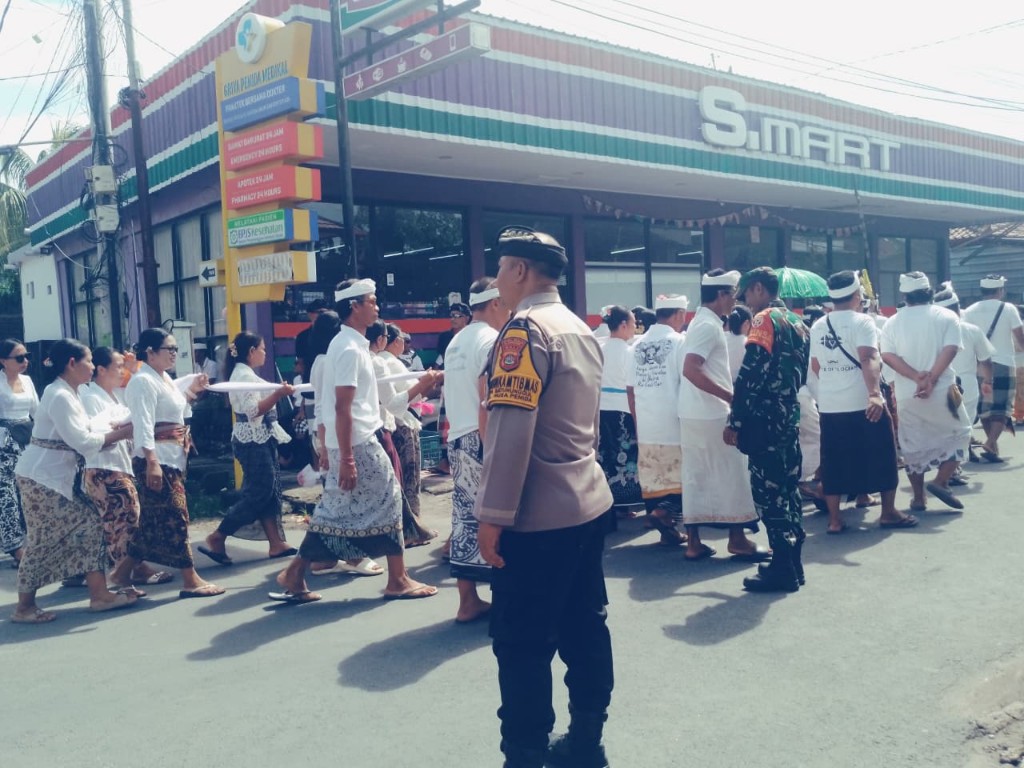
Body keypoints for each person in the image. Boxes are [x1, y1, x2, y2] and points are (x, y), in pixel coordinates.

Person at [474, 226, 614, 768]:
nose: (497, 279)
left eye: (501, 267)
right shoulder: (578, 327)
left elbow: (510, 434)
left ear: (519, 270)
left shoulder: (523, 331)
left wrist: (492, 515)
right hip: (587, 501)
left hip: (537, 517)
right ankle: (586, 740)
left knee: (522, 643)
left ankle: (525, 753)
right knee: (585, 627)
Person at [273, 278, 438, 603]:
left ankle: (295, 572)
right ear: (354, 306)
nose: (377, 306)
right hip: (358, 441)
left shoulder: (350, 344)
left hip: (351, 439)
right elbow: (342, 406)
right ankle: (397, 579)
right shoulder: (348, 348)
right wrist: (347, 457)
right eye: (371, 301)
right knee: (390, 497)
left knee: (336, 507)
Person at [12, 339, 138, 623]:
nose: (93, 366)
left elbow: (86, 433)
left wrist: (114, 429)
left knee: (91, 524)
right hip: (41, 478)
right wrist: (122, 432)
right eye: (89, 360)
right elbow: (82, 441)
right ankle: (24, 607)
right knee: (43, 540)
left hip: (57, 478)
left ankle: (99, 594)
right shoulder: (59, 395)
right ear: (72, 363)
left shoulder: (71, 392)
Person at [725, 267, 809, 593]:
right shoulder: (799, 322)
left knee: (768, 494)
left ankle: (781, 567)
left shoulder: (763, 321)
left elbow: (750, 375)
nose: (746, 301)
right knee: (789, 489)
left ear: (759, 288)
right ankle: (794, 563)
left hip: (765, 420)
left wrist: (735, 421)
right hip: (789, 415)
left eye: (746, 293)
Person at [124, 328, 225, 599]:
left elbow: (177, 410)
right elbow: (143, 424)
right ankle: (190, 578)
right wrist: (152, 461)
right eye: (169, 349)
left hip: (173, 457)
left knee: (151, 521)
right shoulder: (142, 381)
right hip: (158, 459)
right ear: (150, 352)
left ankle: (121, 573)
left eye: (175, 349)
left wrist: (192, 391)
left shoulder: (163, 378)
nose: (173, 354)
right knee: (177, 518)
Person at [809, 272, 913, 534]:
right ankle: (888, 512)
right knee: (883, 454)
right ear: (856, 295)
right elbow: (868, 358)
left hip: (830, 405)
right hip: (863, 402)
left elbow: (816, 365)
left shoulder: (819, 324)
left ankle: (835, 520)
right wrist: (874, 394)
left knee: (833, 460)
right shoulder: (863, 321)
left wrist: (834, 385)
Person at [678, 270, 766, 561]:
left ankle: (694, 542)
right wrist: (730, 397)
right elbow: (691, 369)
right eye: (733, 296)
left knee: (696, 475)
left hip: (693, 412)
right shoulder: (708, 326)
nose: (735, 302)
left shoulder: (699, 322)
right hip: (712, 413)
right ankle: (737, 539)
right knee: (732, 473)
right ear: (721, 295)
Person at [198, 332, 297, 565]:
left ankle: (275, 542)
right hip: (251, 440)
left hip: (261, 437)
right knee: (260, 491)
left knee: (269, 489)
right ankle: (219, 535)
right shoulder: (243, 376)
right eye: (262, 349)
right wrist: (278, 394)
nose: (265, 353)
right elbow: (253, 411)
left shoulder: (246, 374)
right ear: (252, 351)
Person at [442, 277, 509, 623]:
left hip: (458, 437)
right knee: (497, 515)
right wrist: (493, 449)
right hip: (480, 438)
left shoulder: (457, 341)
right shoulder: (491, 340)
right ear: (496, 303)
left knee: (466, 517)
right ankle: (505, 598)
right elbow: (487, 399)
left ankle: (468, 600)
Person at [80, 347, 171, 594]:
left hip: (119, 463)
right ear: (101, 370)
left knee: (126, 519)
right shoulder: (90, 397)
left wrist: (133, 367)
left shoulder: (116, 394)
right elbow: (97, 435)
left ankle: (128, 571)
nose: (123, 371)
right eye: (118, 366)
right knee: (123, 521)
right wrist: (126, 429)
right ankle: (127, 573)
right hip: (103, 466)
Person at [880, 272, 971, 512]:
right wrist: (932, 378)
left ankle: (919, 498)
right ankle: (941, 481)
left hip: (907, 394)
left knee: (912, 445)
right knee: (962, 432)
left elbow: (887, 355)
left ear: (904, 295)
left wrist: (916, 377)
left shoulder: (892, 322)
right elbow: (951, 349)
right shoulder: (946, 316)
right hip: (945, 390)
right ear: (929, 292)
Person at [366, 320, 441, 548]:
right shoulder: (386, 362)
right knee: (408, 480)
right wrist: (426, 384)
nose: (404, 343)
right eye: (400, 339)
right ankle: (411, 528)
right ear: (387, 340)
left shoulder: (374, 360)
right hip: (399, 424)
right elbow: (408, 397)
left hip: (387, 425)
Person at [627, 293, 689, 546]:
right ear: (679, 314)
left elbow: (630, 390)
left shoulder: (636, 345)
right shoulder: (680, 342)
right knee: (682, 478)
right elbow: (687, 382)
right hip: (673, 421)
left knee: (654, 480)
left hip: (646, 422)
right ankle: (663, 513)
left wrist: (636, 420)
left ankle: (667, 531)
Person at [935, 284, 993, 483]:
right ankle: (951, 471)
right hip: (966, 384)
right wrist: (988, 380)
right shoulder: (971, 330)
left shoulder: (933, 331)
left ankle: (949, 468)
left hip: (939, 383)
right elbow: (985, 360)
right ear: (958, 308)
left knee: (945, 428)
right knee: (962, 429)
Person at [962, 275, 1024, 462]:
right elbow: (1020, 337)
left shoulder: (970, 311)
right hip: (1004, 362)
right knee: (1002, 407)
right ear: (1000, 290)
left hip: (980, 364)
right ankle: (990, 442)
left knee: (985, 407)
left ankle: (992, 448)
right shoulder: (1008, 308)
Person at [597, 305, 643, 518]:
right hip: (623, 408)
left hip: (601, 408)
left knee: (606, 454)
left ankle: (605, 503)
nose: (635, 327)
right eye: (633, 323)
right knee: (625, 455)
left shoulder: (599, 348)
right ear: (623, 325)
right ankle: (625, 503)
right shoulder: (629, 352)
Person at [0, 338, 36, 568]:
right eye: (20, 357)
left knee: (28, 494)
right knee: (7, 498)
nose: (25, 361)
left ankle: (31, 544)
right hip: (4, 446)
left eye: (27, 356)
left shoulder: (28, 381)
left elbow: (37, 411)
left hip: (27, 443)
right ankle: (15, 548)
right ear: (3, 361)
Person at [294, 298, 329, 384]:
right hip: (310, 380)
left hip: (330, 378)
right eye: (320, 312)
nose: (323, 316)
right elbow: (300, 361)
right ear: (310, 314)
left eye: (327, 313)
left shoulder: (334, 333)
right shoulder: (302, 336)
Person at [434, 301, 471, 369]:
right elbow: (446, 359)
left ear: (466, 318)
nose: (452, 319)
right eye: (451, 316)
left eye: (456, 316)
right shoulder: (444, 337)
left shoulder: (472, 336)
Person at [725, 304, 752, 383]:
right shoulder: (748, 343)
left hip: (717, 383)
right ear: (746, 324)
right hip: (736, 386)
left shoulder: (721, 337)